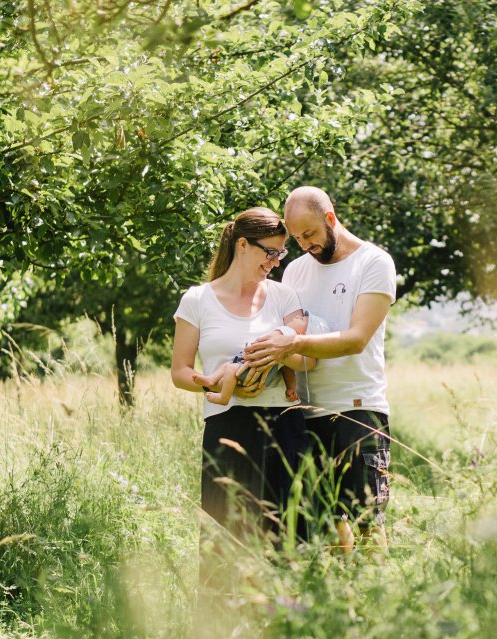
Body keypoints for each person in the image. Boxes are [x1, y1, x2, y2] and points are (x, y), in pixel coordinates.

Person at [243, 187, 397, 552]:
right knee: (325, 525)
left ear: (330, 219)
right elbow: (282, 332)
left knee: (366, 521)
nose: (303, 245)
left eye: (309, 234)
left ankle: (374, 598)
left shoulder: (373, 263)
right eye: (295, 238)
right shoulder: (294, 272)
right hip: (302, 414)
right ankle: (338, 603)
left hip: (357, 410)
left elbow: (356, 339)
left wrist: (292, 346)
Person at [170, 207, 312, 553]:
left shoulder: (284, 297)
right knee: (227, 543)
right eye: (271, 252)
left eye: (282, 253)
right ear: (243, 245)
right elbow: (180, 372)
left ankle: (286, 608)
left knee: (287, 541)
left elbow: (307, 359)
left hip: (284, 426)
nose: (277, 261)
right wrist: (216, 384)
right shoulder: (197, 300)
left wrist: (275, 356)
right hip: (227, 428)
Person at [196, 309, 328, 405]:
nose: (298, 317)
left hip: (256, 373)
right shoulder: (284, 335)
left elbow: (288, 370)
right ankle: (212, 379)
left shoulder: (288, 342)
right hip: (249, 364)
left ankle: (224, 398)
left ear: (304, 334)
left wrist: (291, 388)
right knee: (228, 366)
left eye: (303, 319)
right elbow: (286, 369)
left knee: (230, 369)